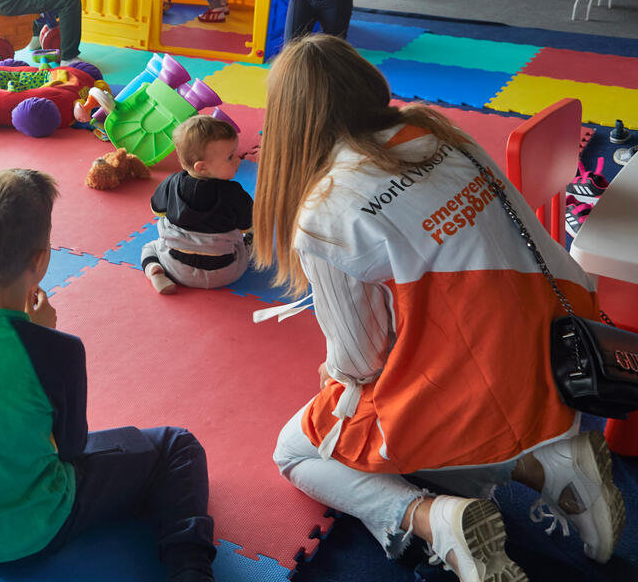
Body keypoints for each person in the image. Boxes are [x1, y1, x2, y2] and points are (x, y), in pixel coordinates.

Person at [252, 34, 626, 581]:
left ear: (289, 123)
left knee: (297, 451)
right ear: (366, 85)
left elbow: (360, 362)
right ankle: (547, 465)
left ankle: (431, 519)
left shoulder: (326, 209)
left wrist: (334, 376)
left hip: (474, 385)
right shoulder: (440, 135)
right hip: (556, 349)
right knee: (414, 396)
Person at [0, 169, 216, 582]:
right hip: (37, 530)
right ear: (40, 260)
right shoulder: (56, 351)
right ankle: (191, 570)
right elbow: (70, 449)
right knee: (178, 445)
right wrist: (40, 336)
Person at [141, 115, 253, 295]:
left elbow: (158, 210)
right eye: (230, 157)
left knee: (150, 247)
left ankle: (154, 270)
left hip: (176, 268)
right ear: (202, 167)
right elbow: (247, 225)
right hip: (226, 272)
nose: (238, 160)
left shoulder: (171, 182)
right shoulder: (234, 193)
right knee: (250, 241)